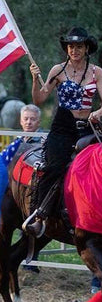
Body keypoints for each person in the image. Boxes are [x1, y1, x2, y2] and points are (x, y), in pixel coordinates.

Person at [24, 26, 102, 237]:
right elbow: (39, 99)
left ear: (87, 48)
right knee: (55, 167)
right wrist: (36, 80)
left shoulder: (96, 71)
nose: (74, 50)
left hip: (88, 126)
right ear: (67, 49)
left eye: (79, 46)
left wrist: (98, 112)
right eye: (71, 46)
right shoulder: (57, 70)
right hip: (63, 126)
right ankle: (40, 215)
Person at [19, 104, 44, 273]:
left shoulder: (43, 140)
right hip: (17, 191)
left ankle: (30, 261)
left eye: (32, 119)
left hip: (35, 191)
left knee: (32, 226)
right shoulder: (17, 140)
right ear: (20, 121)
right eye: (26, 119)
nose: (29, 122)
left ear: (39, 121)